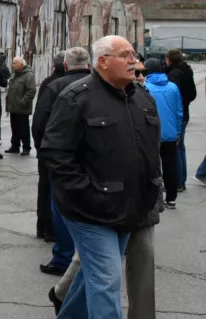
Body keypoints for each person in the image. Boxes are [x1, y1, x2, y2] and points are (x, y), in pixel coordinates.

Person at [40, 36, 162, 319]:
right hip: (89, 211)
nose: (134, 60)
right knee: (107, 277)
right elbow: (56, 154)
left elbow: (151, 153)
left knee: (95, 275)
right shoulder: (76, 98)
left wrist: (151, 192)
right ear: (102, 62)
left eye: (133, 54)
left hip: (130, 207)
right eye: (125, 55)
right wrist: (88, 194)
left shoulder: (143, 98)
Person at [32, 47, 90, 276]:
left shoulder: (54, 86)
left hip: (61, 159)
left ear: (65, 66)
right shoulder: (102, 85)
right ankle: (88, 255)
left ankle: (64, 258)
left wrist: (43, 151)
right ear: (89, 65)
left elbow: (39, 123)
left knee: (61, 205)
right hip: (94, 158)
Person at [33, 51, 66, 242]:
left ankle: (45, 228)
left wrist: (39, 145)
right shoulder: (89, 83)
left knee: (46, 186)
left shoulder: (49, 84)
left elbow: (39, 118)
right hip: (74, 148)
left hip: (49, 146)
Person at [145, 58, 183, 208]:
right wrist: (178, 131)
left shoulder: (145, 87)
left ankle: (154, 198)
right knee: (170, 166)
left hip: (151, 134)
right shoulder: (173, 87)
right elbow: (179, 111)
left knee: (152, 167)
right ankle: (171, 198)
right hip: (170, 133)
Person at [165, 49, 196, 192]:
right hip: (185, 113)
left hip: (176, 114)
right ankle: (181, 180)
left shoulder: (173, 74)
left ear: (169, 59)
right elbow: (193, 94)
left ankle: (177, 182)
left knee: (175, 149)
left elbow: (172, 96)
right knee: (180, 148)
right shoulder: (187, 70)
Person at [4, 56, 36, 155]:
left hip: (22, 108)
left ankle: (26, 147)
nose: (13, 65)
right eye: (13, 63)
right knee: (15, 128)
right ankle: (15, 146)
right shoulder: (15, 75)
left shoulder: (28, 75)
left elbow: (31, 91)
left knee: (23, 129)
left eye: (15, 63)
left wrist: (22, 102)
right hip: (13, 107)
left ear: (21, 65)